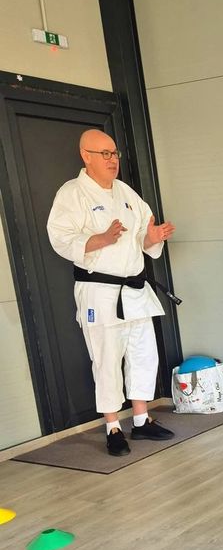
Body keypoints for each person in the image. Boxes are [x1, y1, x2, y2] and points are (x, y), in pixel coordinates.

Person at [47, 129, 176, 456]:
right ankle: (113, 426)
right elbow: (60, 238)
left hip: (134, 289)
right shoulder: (72, 193)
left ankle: (142, 419)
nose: (112, 159)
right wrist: (100, 239)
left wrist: (153, 237)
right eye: (104, 154)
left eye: (114, 153)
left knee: (143, 354)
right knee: (106, 358)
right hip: (99, 291)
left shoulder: (126, 192)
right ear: (85, 156)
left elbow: (143, 237)